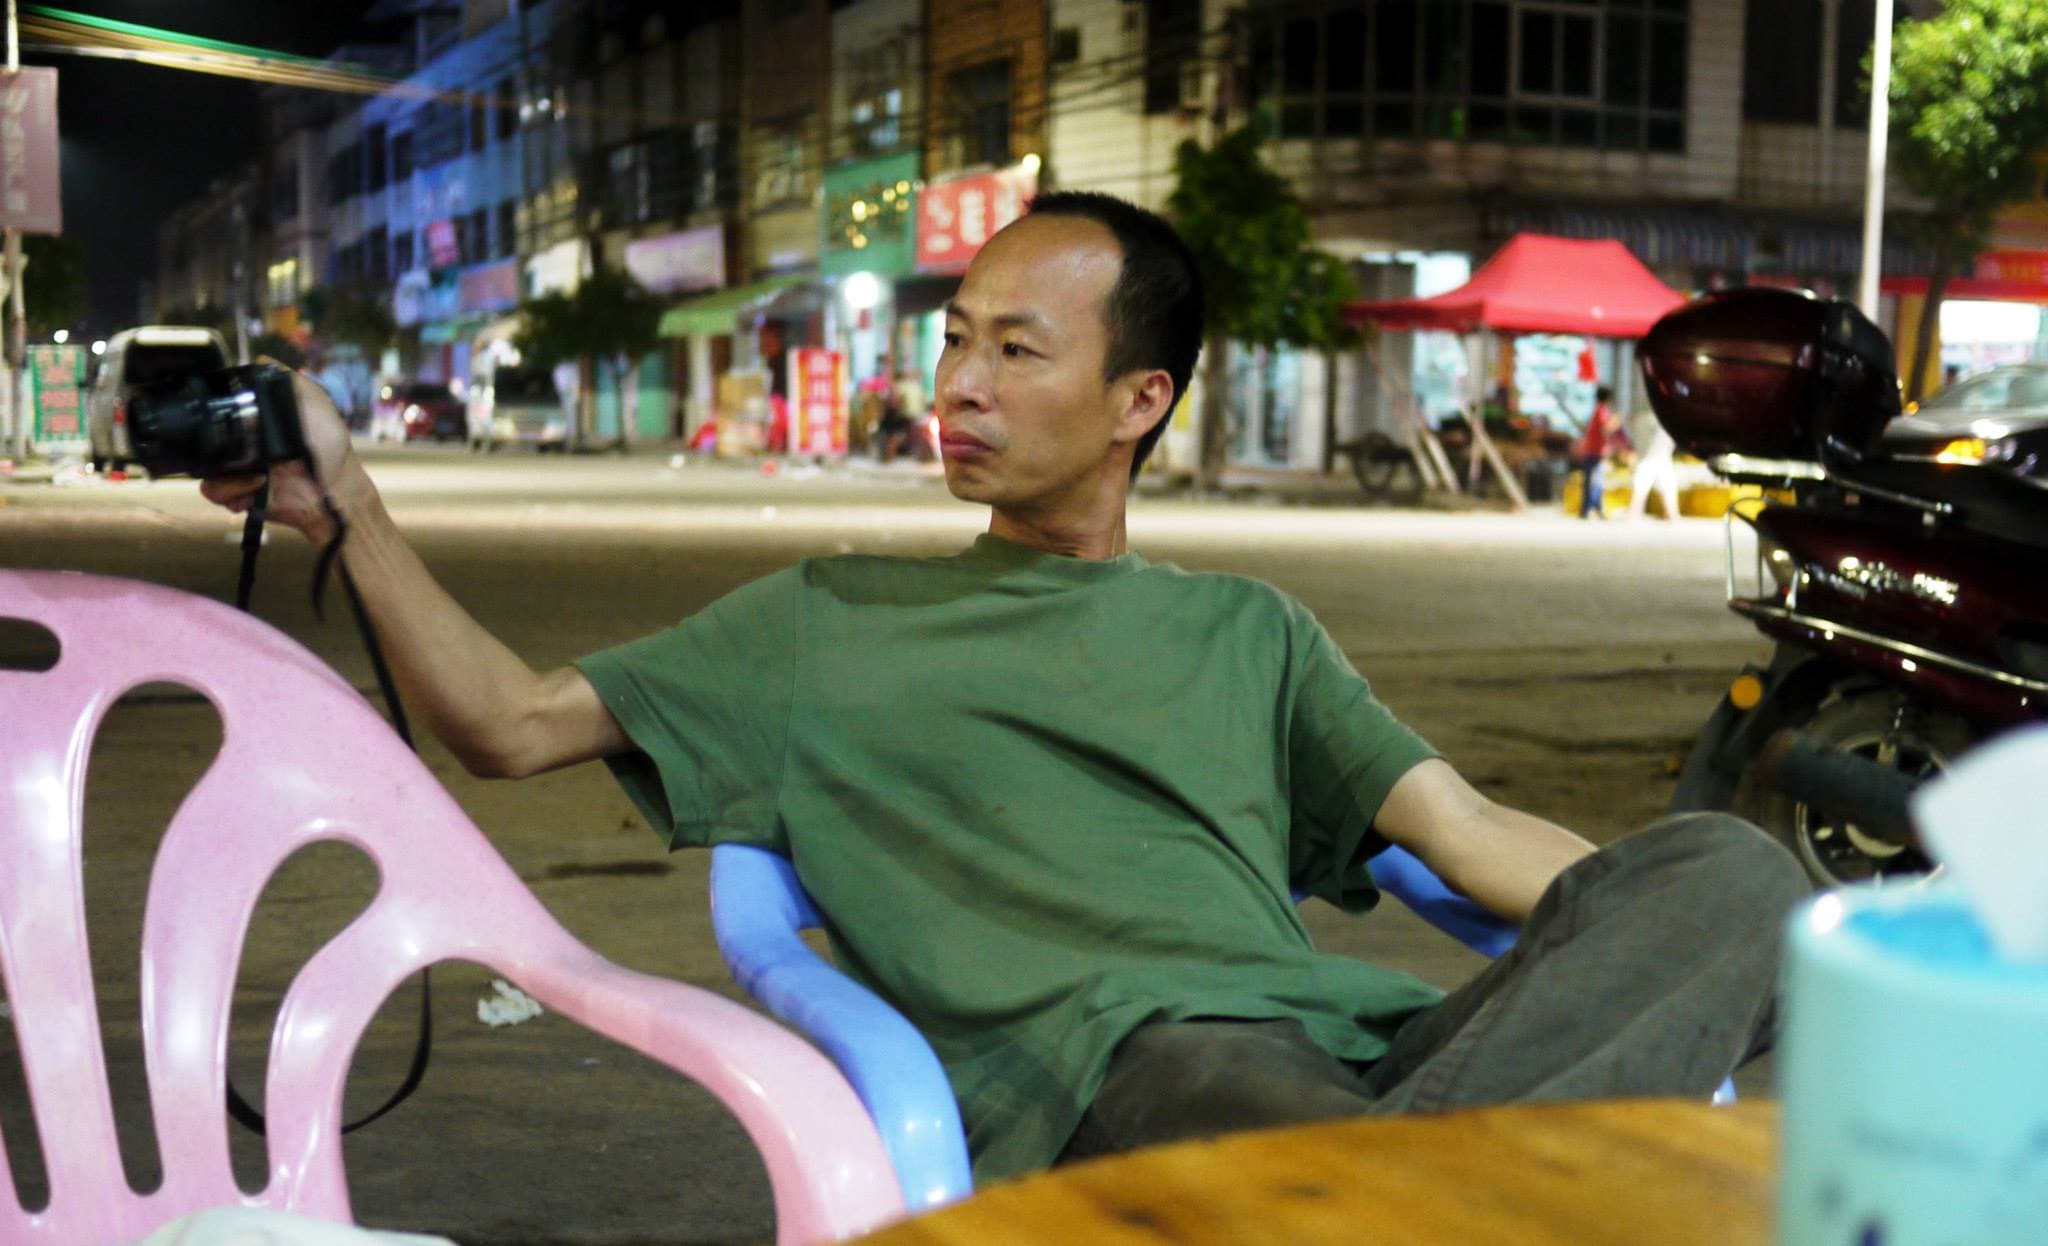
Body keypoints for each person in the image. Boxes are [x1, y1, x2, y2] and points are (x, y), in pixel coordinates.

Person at [200, 193, 1806, 1186]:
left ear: (1137, 400)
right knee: (1325, 1121)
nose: (957, 384)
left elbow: (1462, 833)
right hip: (1122, 1071)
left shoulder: (1248, 629)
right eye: (955, 339)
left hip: (1363, 1066)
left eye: (1017, 353)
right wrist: (355, 505)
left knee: (1734, 866)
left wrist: (1719, 945)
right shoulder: (825, 622)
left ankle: (1424, 1192)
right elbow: (503, 720)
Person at [1572, 385, 1631, 519]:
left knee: (1595, 479)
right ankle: (1589, 508)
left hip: (1594, 450)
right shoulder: (1602, 411)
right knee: (1595, 480)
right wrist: (1618, 420)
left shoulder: (1598, 410)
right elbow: (1606, 428)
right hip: (1594, 451)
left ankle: (1593, 508)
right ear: (1608, 398)